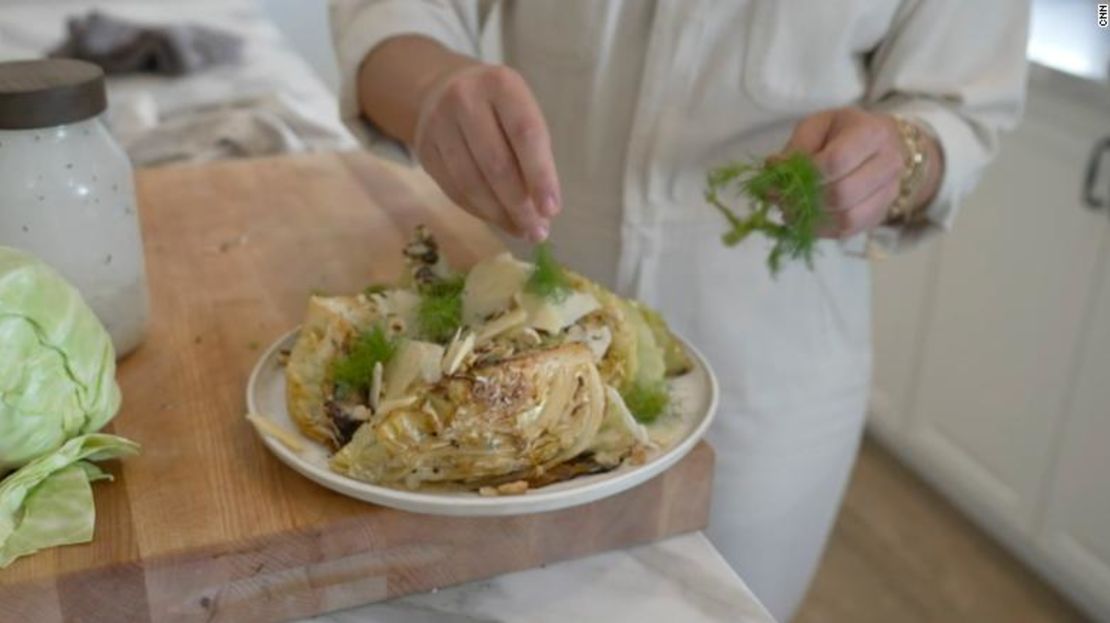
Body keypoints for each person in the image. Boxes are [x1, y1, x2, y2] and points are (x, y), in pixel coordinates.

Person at [329, 1, 1029, 618]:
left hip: (765, 377)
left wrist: (901, 158)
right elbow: (392, 13)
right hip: (514, 328)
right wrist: (431, 88)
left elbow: (963, 107)